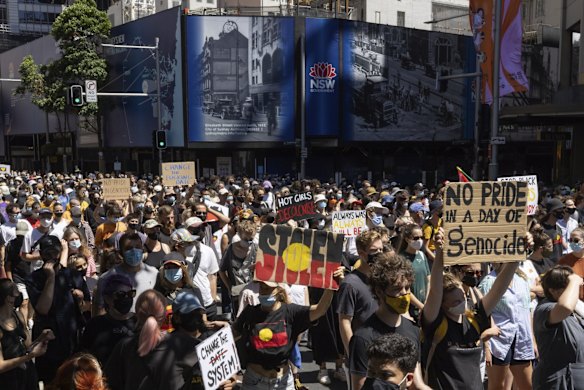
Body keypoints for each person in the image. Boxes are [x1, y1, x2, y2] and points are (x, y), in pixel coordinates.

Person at [421, 228, 524, 389]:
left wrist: (516, 257)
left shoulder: (474, 318)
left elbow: (499, 289)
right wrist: (440, 252)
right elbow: (435, 290)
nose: (461, 303)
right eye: (455, 302)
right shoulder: (435, 323)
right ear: (442, 304)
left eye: (462, 298)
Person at [233, 272, 343, 390]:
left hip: (283, 383)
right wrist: (231, 373)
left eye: (268, 288)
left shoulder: (290, 312)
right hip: (254, 382)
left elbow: (319, 310)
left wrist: (331, 285)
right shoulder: (250, 312)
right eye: (261, 287)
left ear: (279, 290)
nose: (264, 291)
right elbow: (232, 337)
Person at [349, 253, 428, 390]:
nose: (404, 294)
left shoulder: (413, 330)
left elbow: (416, 382)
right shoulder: (363, 337)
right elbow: (360, 386)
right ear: (379, 292)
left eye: (407, 288)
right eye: (397, 289)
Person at [24, 235, 91, 383]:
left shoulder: (72, 274)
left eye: (54, 252)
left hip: (71, 338)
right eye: (47, 253)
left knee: (73, 380)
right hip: (48, 341)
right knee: (51, 381)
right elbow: (43, 309)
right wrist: (51, 278)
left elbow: (87, 306)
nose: (51, 256)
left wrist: (80, 300)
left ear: (60, 251)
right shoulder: (33, 279)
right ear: (41, 255)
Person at [479, 263, 535, 390]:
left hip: (521, 338)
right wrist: (487, 347)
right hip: (499, 340)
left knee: (529, 385)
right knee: (499, 386)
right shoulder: (488, 282)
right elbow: (483, 314)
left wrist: (533, 340)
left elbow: (527, 310)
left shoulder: (522, 280)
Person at [166, 289, 236, 390]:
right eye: (190, 313)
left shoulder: (212, 338)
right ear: (177, 317)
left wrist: (231, 381)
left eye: (198, 312)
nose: (195, 316)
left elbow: (230, 370)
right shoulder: (169, 344)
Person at [104, 289, 173, 390]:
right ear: (164, 315)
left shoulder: (124, 346)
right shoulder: (180, 347)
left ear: (137, 314)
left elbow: (109, 381)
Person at [533, 265, 584, 389]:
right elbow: (565, 306)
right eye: (569, 287)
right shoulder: (545, 309)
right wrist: (574, 280)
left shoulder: (578, 309)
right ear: (553, 290)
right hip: (558, 381)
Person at [0, 278, 54, 390]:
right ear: (8, 298)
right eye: (16, 292)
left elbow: (28, 347)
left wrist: (41, 338)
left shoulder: (18, 316)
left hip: (27, 376)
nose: (20, 295)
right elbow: (1, 366)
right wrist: (30, 356)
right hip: (9, 382)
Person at [79, 274, 137, 364]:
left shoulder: (139, 323)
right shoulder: (94, 325)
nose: (127, 298)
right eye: (121, 295)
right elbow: (84, 357)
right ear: (107, 299)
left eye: (130, 294)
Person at [94, 233, 158, 315]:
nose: (134, 251)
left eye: (138, 247)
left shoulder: (154, 274)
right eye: (129, 248)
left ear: (142, 249)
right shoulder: (107, 278)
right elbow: (99, 312)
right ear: (120, 253)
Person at [397, 223, 430, 317]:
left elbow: (428, 279)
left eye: (421, 237)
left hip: (425, 306)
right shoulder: (401, 259)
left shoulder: (422, 255)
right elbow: (404, 288)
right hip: (411, 310)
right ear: (407, 239)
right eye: (416, 238)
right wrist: (421, 307)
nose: (419, 240)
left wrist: (427, 302)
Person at [559, 227, 584, 299]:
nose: (573, 243)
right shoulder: (564, 261)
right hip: (572, 301)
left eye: (576, 240)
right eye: (570, 240)